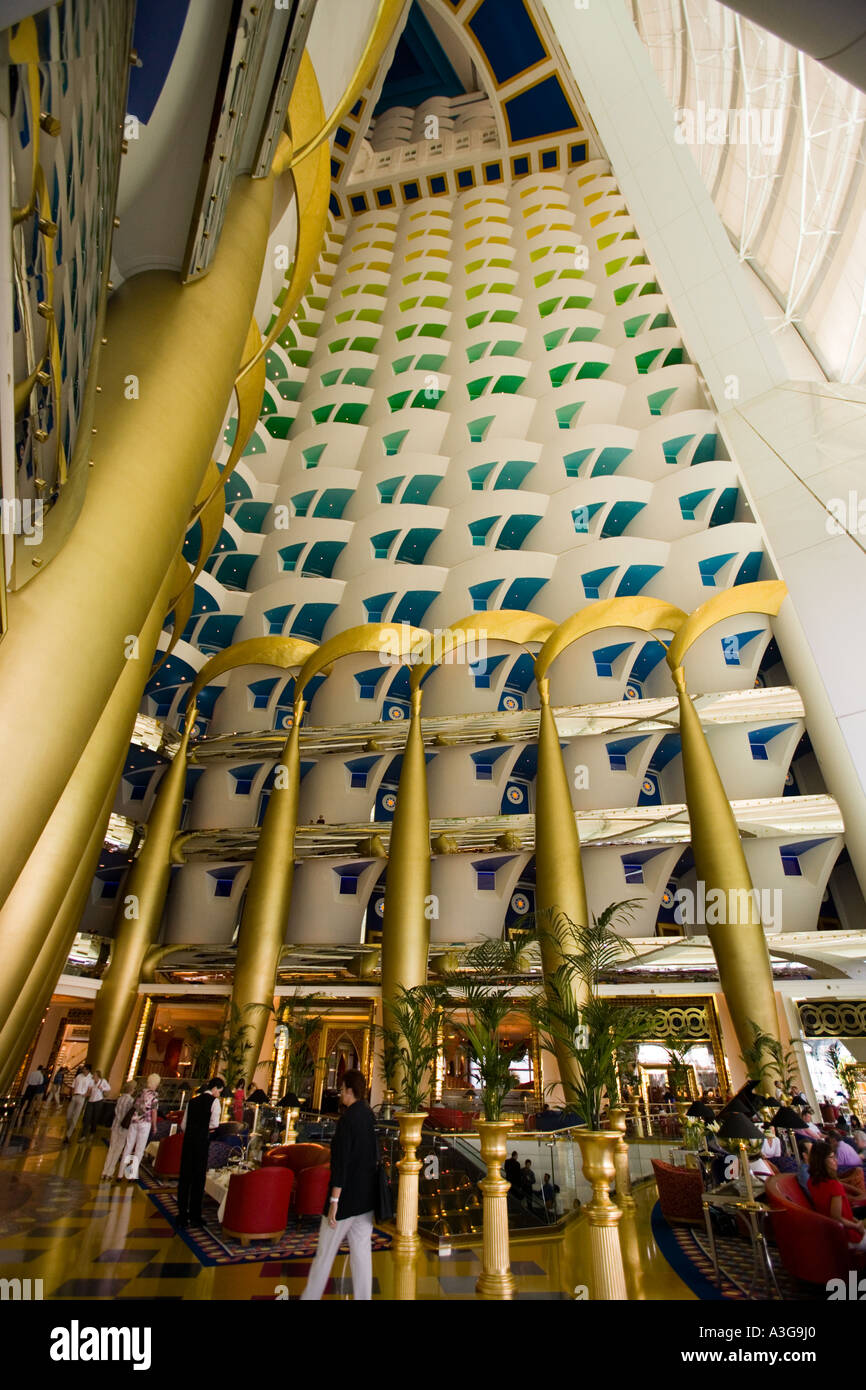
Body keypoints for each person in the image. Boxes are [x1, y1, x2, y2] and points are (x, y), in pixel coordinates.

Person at [301, 1069, 378, 1301]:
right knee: (362, 1254)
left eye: (342, 1089)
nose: (340, 1094)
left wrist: (334, 1200)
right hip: (365, 1199)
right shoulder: (368, 1115)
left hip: (345, 1200)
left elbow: (341, 1163)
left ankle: (310, 1297)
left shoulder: (348, 1120)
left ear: (350, 1090)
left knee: (325, 1253)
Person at [177, 1077, 225, 1229]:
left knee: (185, 1177)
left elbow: (183, 1125)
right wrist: (204, 1130)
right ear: (215, 1089)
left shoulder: (192, 1101)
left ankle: (182, 1214)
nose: (219, 1095)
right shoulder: (214, 1102)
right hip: (201, 1142)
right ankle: (195, 1215)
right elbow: (214, 1124)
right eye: (220, 1092)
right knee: (198, 1178)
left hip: (188, 1141)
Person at [807, 1141, 866, 1250]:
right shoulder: (833, 1185)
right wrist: (856, 1226)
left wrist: (857, 1223)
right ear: (822, 1161)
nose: (836, 1161)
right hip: (846, 1235)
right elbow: (836, 1217)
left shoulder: (812, 1181)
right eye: (832, 1157)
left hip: (831, 1232)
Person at [121, 1074, 161, 1181]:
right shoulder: (154, 1096)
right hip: (145, 1123)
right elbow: (154, 1112)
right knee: (139, 1149)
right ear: (156, 1084)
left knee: (128, 1146)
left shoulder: (140, 1093)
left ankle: (120, 1173)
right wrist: (154, 1126)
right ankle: (132, 1174)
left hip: (134, 1121)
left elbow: (135, 1106)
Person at [101, 1083, 136, 1180]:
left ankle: (104, 1171)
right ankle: (110, 1172)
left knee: (111, 1149)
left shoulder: (120, 1099)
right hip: (123, 1127)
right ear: (132, 1090)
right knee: (118, 1149)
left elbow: (116, 1112)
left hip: (115, 1125)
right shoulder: (131, 1101)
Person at [64, 1063, 92, 1141]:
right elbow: (73, 1085)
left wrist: (85, 1095)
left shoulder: (90, 1078)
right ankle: (70, 1128)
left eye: (84, 1069)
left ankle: (68, 1135)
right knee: (68, 1115)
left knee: (75, 1116)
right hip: (75, 1096)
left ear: (88, 1070)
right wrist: (72, 1093)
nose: (83, 1070)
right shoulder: (79, 1076)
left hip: (81, 1097)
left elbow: (90, 1089)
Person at [80, 1069, 110, 1139]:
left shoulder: (103, 1081)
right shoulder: (91, 1081)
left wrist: (102, 1088)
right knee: (87, 1117)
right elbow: (89, 1090)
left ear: (98, 1076)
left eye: (94, 1075)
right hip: (91, 1100)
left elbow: (109, 1088)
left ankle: (92, 1131)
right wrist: (86, 1094)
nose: (93, 1076)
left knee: (95, 1116)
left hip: (99, 1100)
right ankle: (84, 1134)